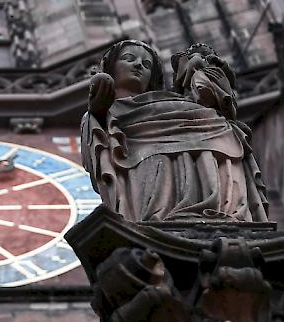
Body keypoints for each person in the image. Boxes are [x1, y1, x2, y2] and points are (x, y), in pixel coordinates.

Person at [81, 39, 268, 222]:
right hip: (147, 165)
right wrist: (98, 110)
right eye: (129, 58)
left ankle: (224, 210)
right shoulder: (106, 113)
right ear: (111, 67)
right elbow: (98, 134)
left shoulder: (177, 103)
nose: (138, 65)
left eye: (146, 64)